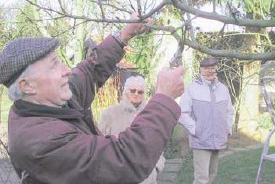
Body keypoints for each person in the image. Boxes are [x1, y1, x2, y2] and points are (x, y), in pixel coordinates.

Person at [0, 14, 185, 184]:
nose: (66, 70)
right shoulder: (40, 143)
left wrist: (123, 35)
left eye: (60, 61)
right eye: (53, 66)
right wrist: (164, 98)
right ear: (27, 86)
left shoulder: (50, 101)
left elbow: (89, 71)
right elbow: (124, 160)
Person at [99, 75, 165, 184]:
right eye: (133, 90)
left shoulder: (151, 114)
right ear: (126, 91)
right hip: (118, 172)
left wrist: (156, 167)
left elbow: (159, 143)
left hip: (146, 174)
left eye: (140, 92)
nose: (136, 94)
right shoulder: (110, 113)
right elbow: (99, 143)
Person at [178, 57, 233, 184]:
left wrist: (228, 129)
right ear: (201, 70)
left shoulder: (223, 89)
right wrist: (196, 130)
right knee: (201, 179)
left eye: (212, 68)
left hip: (218, 139)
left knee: (212, 175)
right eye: (206, 68)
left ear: (216, 69)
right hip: (201, 140)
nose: (210, 71)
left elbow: (229, 111)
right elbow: (182, 113)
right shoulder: (192, 88)